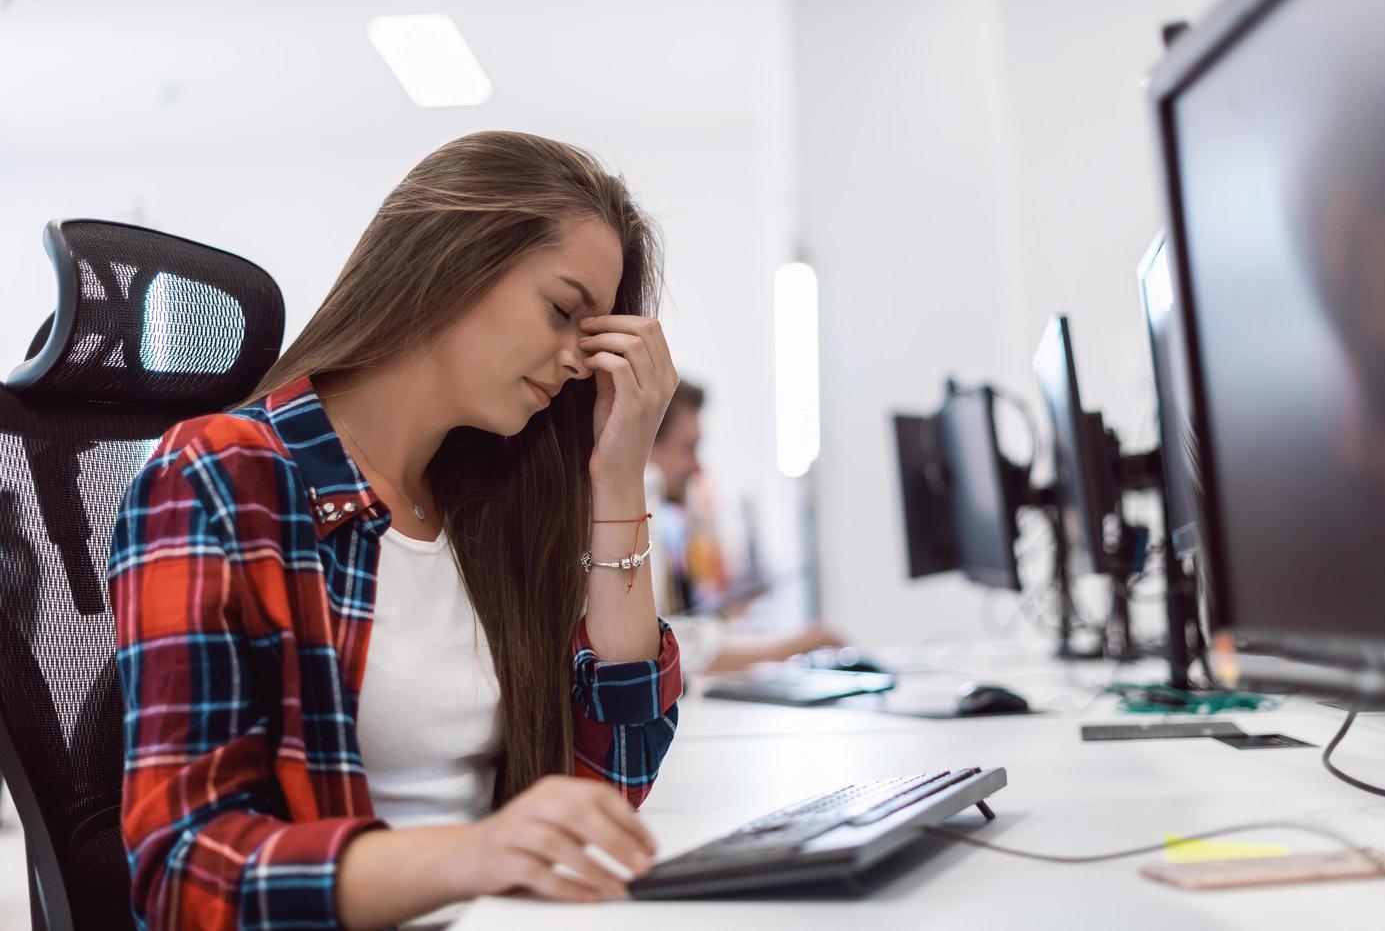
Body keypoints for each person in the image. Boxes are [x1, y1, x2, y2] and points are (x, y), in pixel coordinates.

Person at [108, 132, 683, 929]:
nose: (577, 361)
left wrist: (618, 477)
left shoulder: (485, 499)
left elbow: (611, 779)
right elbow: (186, 870)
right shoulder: (221, 477)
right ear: (453, 262)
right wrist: (467, 857)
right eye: (561, 312)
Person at [646, 380, 845, 675]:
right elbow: (654, 649)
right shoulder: (642, 495)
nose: (697, 467)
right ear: (646, 443)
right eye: (689, 447)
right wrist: (789, 646)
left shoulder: (661, 520)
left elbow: (663, 635)